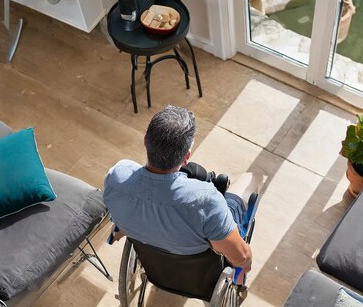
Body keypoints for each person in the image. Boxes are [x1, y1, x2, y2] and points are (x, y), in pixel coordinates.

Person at [103, 105, 262, 277]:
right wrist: (246, 260)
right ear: (186, 157)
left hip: (148, 247)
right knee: (251, 178)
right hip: (196, 265)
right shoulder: (207, 201)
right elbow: (241, 257)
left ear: (145, 141)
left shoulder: (117, 175)